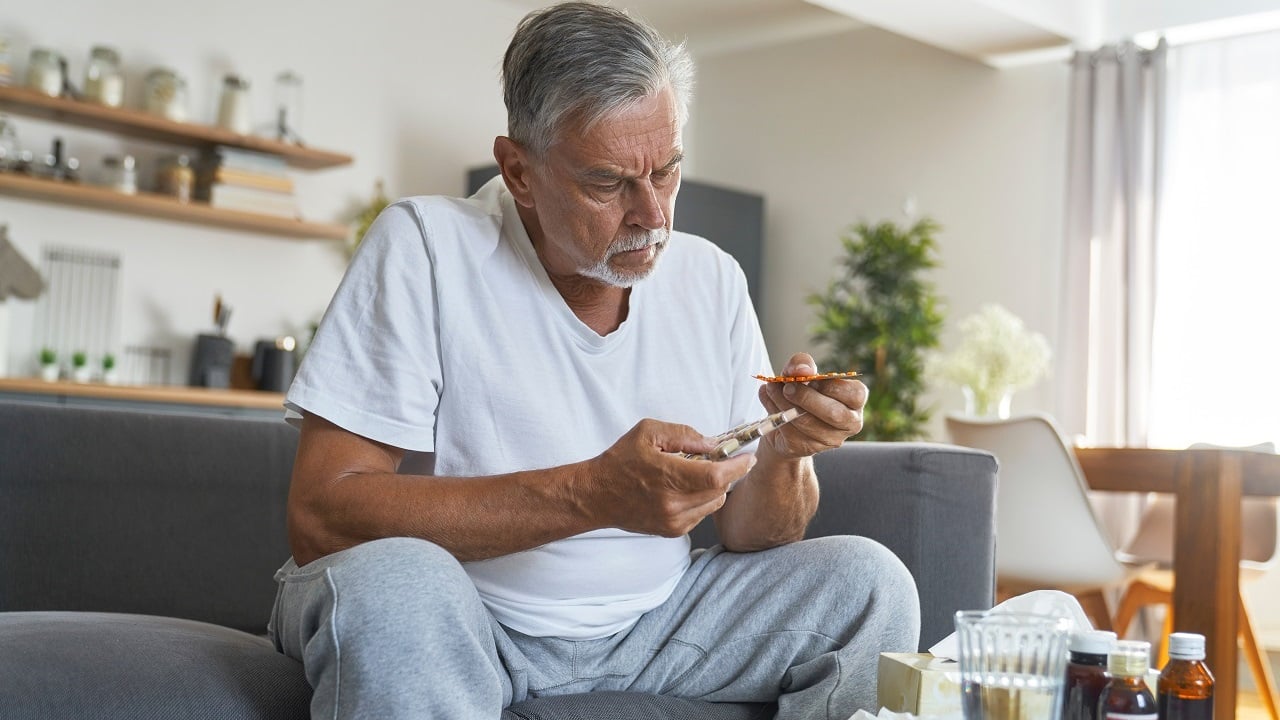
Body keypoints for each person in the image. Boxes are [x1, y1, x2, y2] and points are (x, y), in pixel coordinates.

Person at [268, 2, 920, 718]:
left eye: (667, 172)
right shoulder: (425, 248)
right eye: (609, 184)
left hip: (660, 627)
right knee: (393, 589)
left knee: (871, 584)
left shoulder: (713, 278)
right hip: (468, 621)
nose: (654, 216)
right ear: (519, 170)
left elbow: (752, 533)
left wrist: (786, 456)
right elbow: (321, 515)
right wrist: (591, 495)